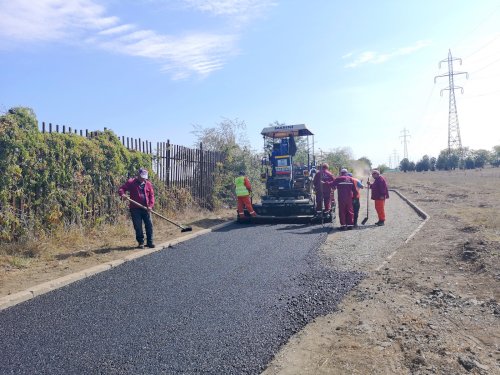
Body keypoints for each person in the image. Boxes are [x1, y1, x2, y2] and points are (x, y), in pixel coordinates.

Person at [118, 168, 155, 248]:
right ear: (138, 175)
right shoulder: (131, 182)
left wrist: (151, 206)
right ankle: (141, 242)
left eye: (145, 177)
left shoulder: (148, 184)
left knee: (149, 224)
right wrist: (123, 194)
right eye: (142, 176)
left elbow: (151, 196)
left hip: (146, 208)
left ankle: (150, 242)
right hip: (135, 209)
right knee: (138, 225)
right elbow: (121, 189)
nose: (143, 178)